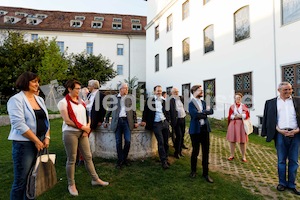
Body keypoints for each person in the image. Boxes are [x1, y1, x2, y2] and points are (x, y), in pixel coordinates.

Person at [57, 79, 109, 196]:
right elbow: (67, 121)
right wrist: (83, 128)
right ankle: (71, 184)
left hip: (83, 132)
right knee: (72, 159)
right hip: (70, 133)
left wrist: (88, 127)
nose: (79, 90)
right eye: (77, 89)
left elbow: (87, 115)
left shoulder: (80, 101)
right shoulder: (63, 103)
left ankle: (95, 179)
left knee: (88, 156)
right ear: (70, 89)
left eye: (80, 88)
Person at [7, 72, 50, 200]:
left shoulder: (39, 99)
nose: (37, 84)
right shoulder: (16, 100)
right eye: (34, 81)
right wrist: (36, 140)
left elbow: (46, 120)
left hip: (41, 142)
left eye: (38, 81)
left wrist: (47, 137)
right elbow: (18, 124)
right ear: (25, 82)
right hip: (24, 145)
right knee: (21, 181)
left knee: (34, 179)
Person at [262, 82, 300, 195]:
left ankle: (292, 184)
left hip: (296, 134)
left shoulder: (298, 101)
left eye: (290, 89)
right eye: (285, 90)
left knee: (294, 160)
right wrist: (278, 130)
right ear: (279, 90)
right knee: (281, 160)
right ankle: (282, 183)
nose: (288, 92)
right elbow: (268, 119)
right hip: (280, 134)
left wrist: (297, 130)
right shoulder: (271, 103)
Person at [104, 83, 138, 169]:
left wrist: (135, 121)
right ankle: (120, 160)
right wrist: (106, 121)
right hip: (117, 122)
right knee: (118, 142)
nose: (126, 90)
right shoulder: (114, 98)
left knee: (128, 141)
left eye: (127, 89)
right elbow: (109, 111)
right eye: (125, 88)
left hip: (127, 122)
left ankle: (124, 158)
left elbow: (134, 111)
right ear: (120, 89)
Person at [140, 85, 171, 169]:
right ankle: (163, 161)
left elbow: (167, 112)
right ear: (154, 91)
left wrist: (168, 121)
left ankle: (166, 158)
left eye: (160, 91)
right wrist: (143, 120)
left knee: (166, 142)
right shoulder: (150, 100)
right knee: (160, 142)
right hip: (156, 124)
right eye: (157, 91)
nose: (159, 92)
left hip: (164, 123)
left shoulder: (164, 101)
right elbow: (145, 111)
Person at [188, 85, 214, 183]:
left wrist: (202, 112)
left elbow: (211, 111)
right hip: (195, 131)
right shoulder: (191, 103)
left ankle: (205, 174)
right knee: (195, 151)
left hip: (205, 130)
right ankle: (193, 171)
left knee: (206, 151)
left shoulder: (204, 102)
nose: (202, 92)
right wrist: (204, 113)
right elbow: (195, 115)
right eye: (199, 90)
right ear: (194, 92)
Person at [226, 93, 250, 162]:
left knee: (243, 141)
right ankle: (232, 155)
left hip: (241, 124)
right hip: (233, 124)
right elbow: (230, 116)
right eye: (236, 98)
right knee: (232, 140)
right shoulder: (232, 107)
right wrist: (238, 116)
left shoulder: (244, 106)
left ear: (241, 98)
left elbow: (246, 115)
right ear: (234, 99)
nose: (238, 99)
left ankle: (243, 156)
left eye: (239, 98)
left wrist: (240, 115)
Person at [170, 87, 186, 159]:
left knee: (182, 135)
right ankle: (176, 152)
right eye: (175, 92)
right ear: (172, 93)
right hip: (176, 120)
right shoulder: (170, 100)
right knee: (178, 136)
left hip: (183, 118)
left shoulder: (181, 98)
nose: (176, 93)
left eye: (177, 91)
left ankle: (180, 151)